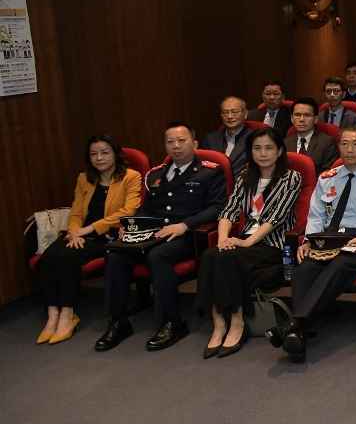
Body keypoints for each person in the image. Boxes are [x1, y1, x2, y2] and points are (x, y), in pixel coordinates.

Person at [268, 126, 356, 363]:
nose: (350, 149)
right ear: (339, 147)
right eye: (345, 144)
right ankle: (300, 334)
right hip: (328, 238)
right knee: (302, 272)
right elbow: (316, 216)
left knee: (339, 266)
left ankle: (295, 325)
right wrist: (309, 240)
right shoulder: (327, 178)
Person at [95, 123, 228, 352]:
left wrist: (184, 225)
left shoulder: (210, 172)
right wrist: (131, 226)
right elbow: (147, 209)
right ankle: (118, 321)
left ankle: (172, 321)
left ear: (194, 144)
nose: (176, 146)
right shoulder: (156, 174)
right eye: (170, 142)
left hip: (188, 237)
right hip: (154, 234)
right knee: (115, 254)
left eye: (181, 141)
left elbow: (218, 207)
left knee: (157, 255)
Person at [195, 128, 302, 358]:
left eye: (269, 148)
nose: (263, 153)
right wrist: (223, 240)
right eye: (257, 148)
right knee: (213, 254)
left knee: (226, 258)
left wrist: (247, 243)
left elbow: (276, 217)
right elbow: (229, 211)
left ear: (279, 151)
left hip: (272, 243)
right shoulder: (245, 176)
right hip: (243, 241)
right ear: (250, 152)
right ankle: (219, 322)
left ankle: (235, 322)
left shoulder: (291, 178)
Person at [36, 135, 142, 344]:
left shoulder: (131, 177)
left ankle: (68, 314)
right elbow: (76, 213)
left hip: (107, 235)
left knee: (66, 257)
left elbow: (128, 212)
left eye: (104, 153)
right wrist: (75, 232)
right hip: (80, 233)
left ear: (116, 154)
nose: (99, 158)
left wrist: (90, 229)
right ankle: (52, 314)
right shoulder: (84, 179)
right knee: (48, 257)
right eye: (94, 154)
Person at [284, 97, 338, 172]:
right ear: (292, 118)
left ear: (315, 119)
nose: (301, 119)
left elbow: (328, 173)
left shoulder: (327, 143)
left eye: (307, 115)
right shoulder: (285, 143)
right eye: (297, 115)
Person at [203, 96, 250, 177]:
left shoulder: (254, 139)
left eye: (234, 112)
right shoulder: (210, 139)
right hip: (213, 182)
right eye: (225, 113)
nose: (229, 116)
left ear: (245, 114)